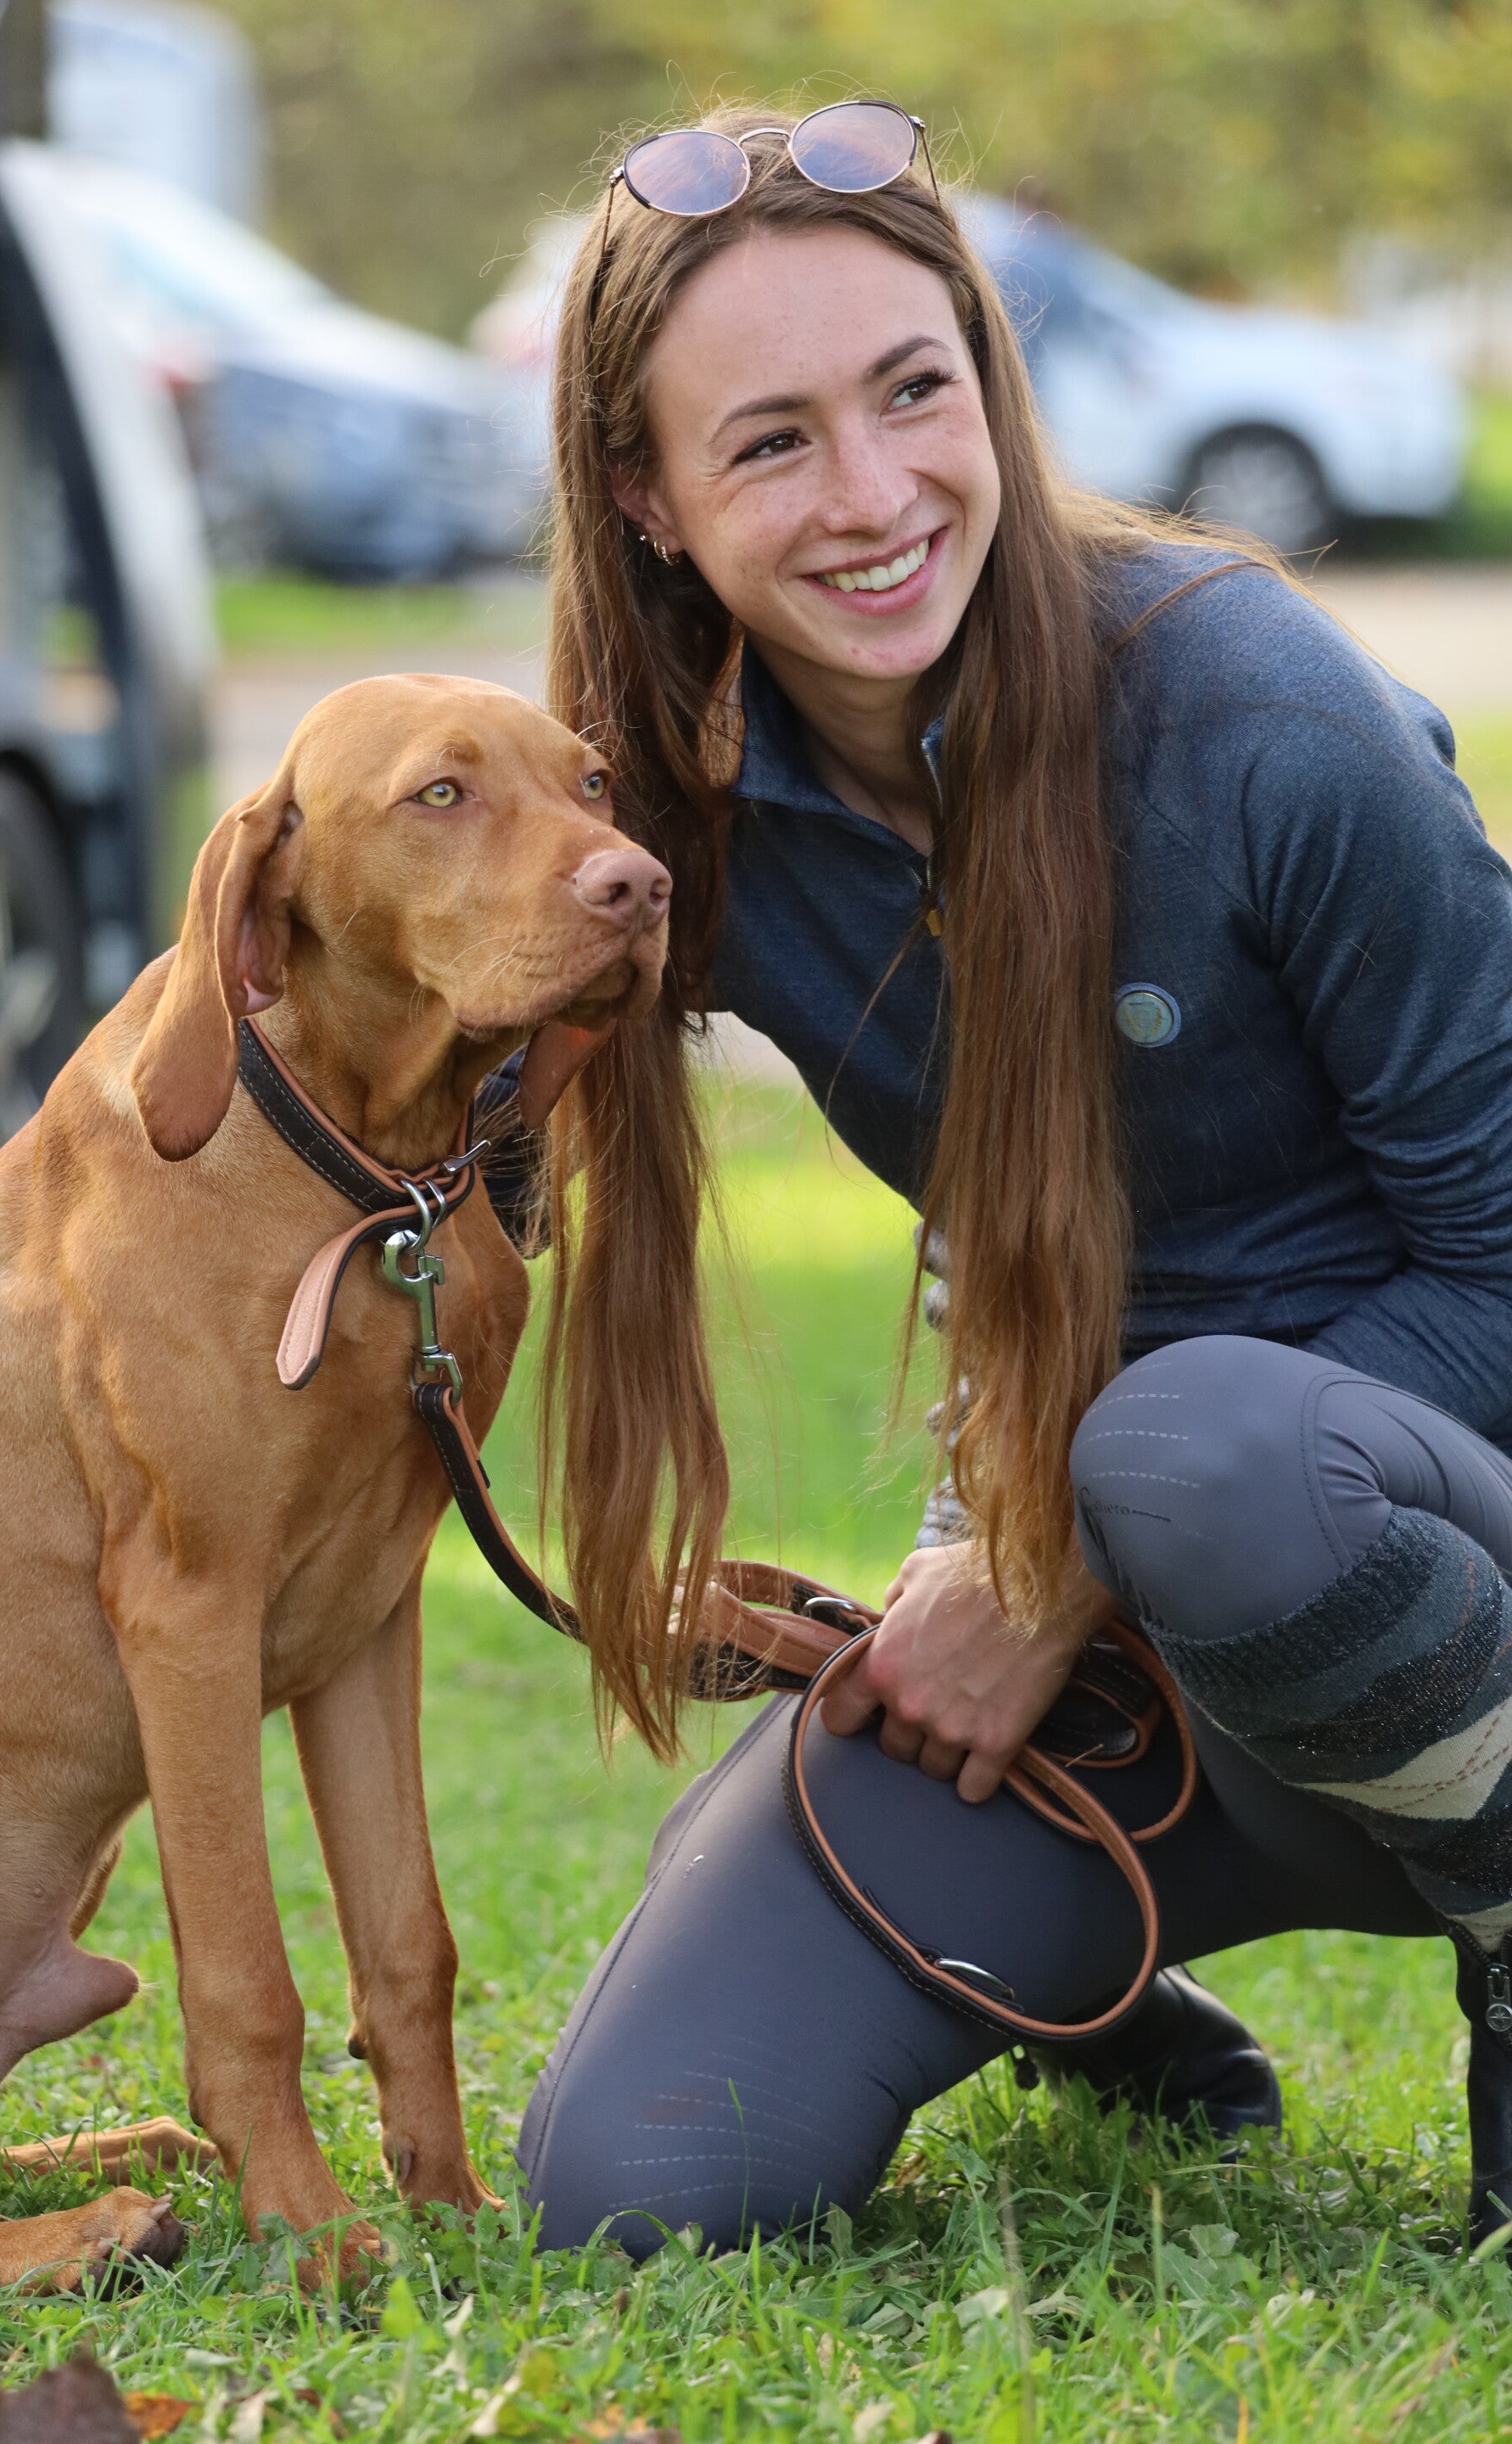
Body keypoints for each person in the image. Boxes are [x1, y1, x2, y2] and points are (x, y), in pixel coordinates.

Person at [507, 100, 1512, 2259]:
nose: (876, 497)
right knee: (645, 2183)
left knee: (1196, 1448)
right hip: (1169, 1682)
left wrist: (1049, 1553)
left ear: (989, 375)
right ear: (648, 499)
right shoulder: (680, 825)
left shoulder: (1255, 711)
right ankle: (1104, 1980)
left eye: (913, 391)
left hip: (1423, 1574)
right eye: (770, 443)